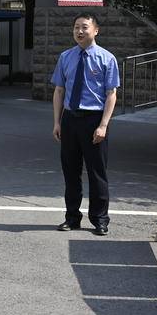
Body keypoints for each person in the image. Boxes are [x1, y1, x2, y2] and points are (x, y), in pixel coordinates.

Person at [51, 13, 119, 236]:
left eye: (84, 27)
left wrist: (103, 125)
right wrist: (57, 122)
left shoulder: (107, 58)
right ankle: (72, 217)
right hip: (70, 120)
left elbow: (111, 94)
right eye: (76, 27)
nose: (79, 31)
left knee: (97, 172)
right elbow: (59, 91)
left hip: (94, 120)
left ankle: (100, 219)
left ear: (95, 30)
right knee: (71, 172)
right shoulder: (65, 57)